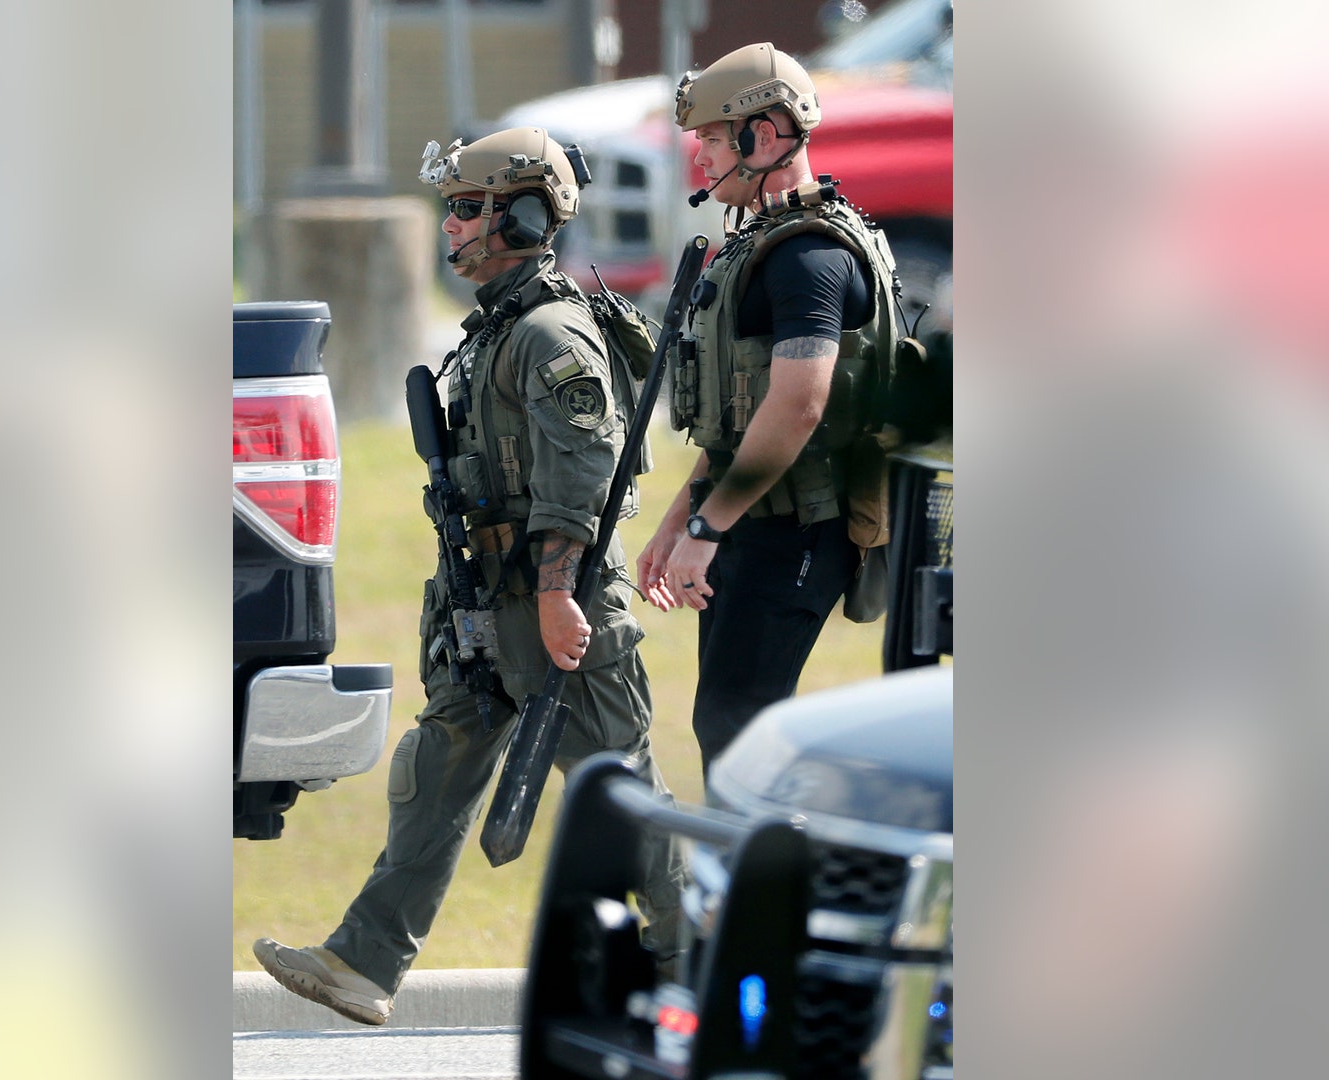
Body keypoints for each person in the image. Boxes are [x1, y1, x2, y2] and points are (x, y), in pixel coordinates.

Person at [254, 126, 687, 1026]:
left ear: (522, 215)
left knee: (620, 797)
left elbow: (583, 469)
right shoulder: (497, 329)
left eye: (465, 209)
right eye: (450, 207)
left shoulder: (548, 332)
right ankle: (363, 963)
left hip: (552, 606)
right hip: (490, 607)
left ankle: (700, 955)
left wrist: (560, 593)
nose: (448, 227)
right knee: (436, 769)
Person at [637, 42, 906, 774]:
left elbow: (797, 404)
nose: (699, 156)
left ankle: (792, 882)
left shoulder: (808, 256)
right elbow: (741, 415)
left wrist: (704, 527)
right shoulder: (762, 242)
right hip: (755, 521)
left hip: (797, 530)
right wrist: (678, 525)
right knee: (727, 729)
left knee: (742, 734)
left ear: (766, 135)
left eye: (713, 139)